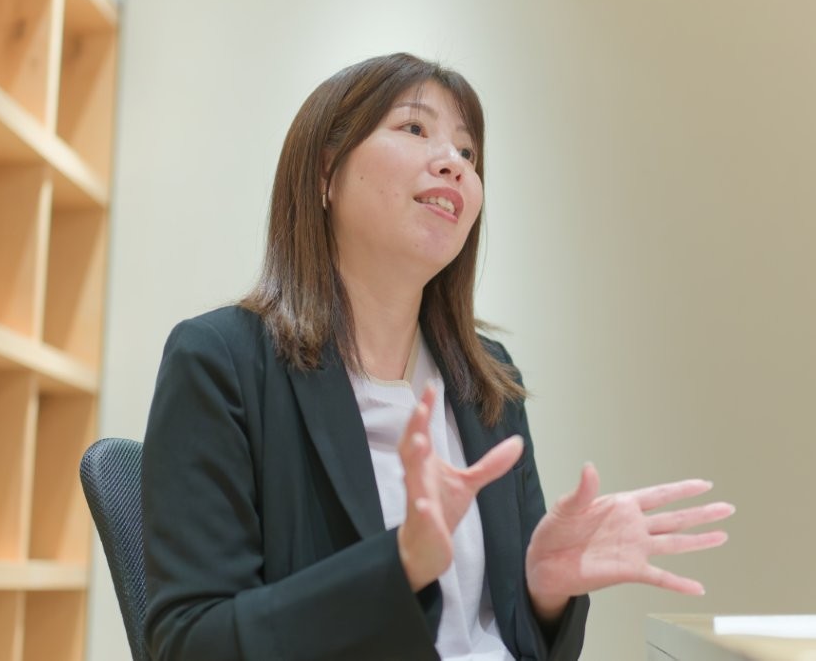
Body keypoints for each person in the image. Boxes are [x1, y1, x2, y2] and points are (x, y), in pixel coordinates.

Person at [141, 52, 734, 661]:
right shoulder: (221, 362)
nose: (454, 162)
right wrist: (400, 563)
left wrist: (545, 591)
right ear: (325, 172)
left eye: (468, 152)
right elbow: (190, 642)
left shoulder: (488, 381)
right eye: (415, 128)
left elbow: (516, 639)